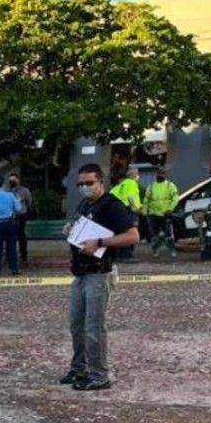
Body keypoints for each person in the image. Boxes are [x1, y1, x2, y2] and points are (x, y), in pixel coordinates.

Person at [61, 163, 139, 391]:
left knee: (94, 326)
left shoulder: (112, 206)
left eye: (89, 183)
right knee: (77, 325)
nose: (84, 188)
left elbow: (133, 236)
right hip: (81, 271)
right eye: (81, 184)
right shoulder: (85, 204)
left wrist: (101, 242)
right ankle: (79, 368)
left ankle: (99, 375)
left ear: (101, 182)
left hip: (99, 271)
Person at [109, 167, 143, 263]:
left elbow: (111, 197)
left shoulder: (118, 186)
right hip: (129, 211)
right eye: (136, 173)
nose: (137, 175)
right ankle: (127, 256)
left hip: (118, 211)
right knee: (131, 233)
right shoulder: (132, 183)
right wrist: (135, 209)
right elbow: (130, 196)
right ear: (131, 174)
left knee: (120, 233)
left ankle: (118, 255)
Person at [144, 170, 180, 258]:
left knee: (169, 234)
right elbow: (146, 200)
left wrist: (170, 209)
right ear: (156, 175)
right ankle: (155, 251)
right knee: (153, 235)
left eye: (162, 173)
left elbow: (175, 198)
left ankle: (172, 251)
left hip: (165, 214)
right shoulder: (151, 186)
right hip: (153, 214)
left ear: (165, 175)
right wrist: (145, 212)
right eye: (159, 173)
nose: (160, 175)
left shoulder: (170, 185)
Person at [9, 174, 35, 265]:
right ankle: (11, 255)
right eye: (11, 180)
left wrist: (25, 210)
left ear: (18, 180)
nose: (12, 182)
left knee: (21, 235)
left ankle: (23, 255)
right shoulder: (8, 192)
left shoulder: (24, 191)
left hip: (21, 215)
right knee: (11, 236)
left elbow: (29, 202)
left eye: (14, 180)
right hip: (11, 216)